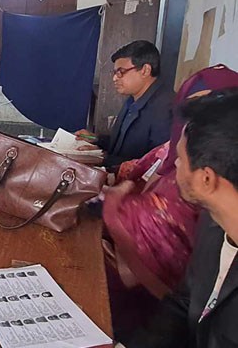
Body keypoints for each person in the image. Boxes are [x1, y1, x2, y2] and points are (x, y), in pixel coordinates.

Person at [100, 65, 238, 340]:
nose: (174, 165)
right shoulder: (215, 225)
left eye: (181, 160)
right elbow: (183, 303)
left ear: (207, 179)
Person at [76, 40, 173, 170]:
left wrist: (103, 158)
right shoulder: (133, 99)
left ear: (145, 70)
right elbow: (122, 145)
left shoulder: (166, 108)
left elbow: (155, 165)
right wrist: (96, 140)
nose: (115, 78)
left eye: (121, 72)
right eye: (114, 73)